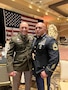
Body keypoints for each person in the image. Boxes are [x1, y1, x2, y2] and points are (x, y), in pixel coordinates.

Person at [31, 22, 59, 90]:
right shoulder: (35, 40)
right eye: (36, 28)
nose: (37, 29)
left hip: (44, 71)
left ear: (45, 30)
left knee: (45, 88)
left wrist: (47, 71)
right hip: (37, 70)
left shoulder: (50, 40)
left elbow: (55, 58)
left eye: (40, 28)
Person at [7, 22, 32, 90]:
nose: (24, 29)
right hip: (17, 65)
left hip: (28, 65)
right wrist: (10, 69)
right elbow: (9, 54)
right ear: (19, 29)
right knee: (15, 86)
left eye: (26, 28)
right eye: (22, 28)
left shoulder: (31, 39)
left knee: (28, 86)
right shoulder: (14, 39)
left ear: (28, 29)